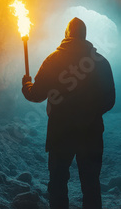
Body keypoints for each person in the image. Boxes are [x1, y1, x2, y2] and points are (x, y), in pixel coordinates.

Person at [22, 17, 115, 209]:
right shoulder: (100, 62)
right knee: (91, 184)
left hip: (60, 133)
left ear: (67, 34)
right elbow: (109, 100)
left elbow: (37, 94)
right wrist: (90, 113)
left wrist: (26, 85)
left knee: (58, 182)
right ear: (84, 35)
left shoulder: (53, 60)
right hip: (91, 133)